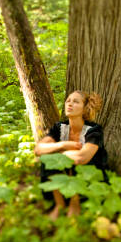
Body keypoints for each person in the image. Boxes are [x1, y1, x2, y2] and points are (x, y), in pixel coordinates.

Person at [34, 90, 104, 220]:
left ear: (84, 109)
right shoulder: (59, 127)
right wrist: (63, 145)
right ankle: (59, 204)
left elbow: (82, 158)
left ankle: (75, 203)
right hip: (63, 179)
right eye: (68, 101)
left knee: (56, 158)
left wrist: (58, 153)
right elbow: (38, 149)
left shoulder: (94, 130)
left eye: (76, 101)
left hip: (88, 177)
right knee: (49, 160)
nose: (70, 104)